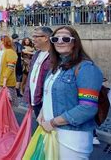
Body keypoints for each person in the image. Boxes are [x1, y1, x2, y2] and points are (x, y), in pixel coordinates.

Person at [37, 26, 103, 159]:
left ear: (74, 42)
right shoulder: (56, 66)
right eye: (55, 39)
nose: (60, 42)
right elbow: (50, 94)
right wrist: (42, 112)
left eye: (65, 38)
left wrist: (53, 122)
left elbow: (87, 108)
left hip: (72, 138)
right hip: (51, 132)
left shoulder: (86, 68)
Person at [23, 27, 53, 118]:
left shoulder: (54, 56)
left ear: (46, 38)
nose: (33, 39)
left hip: (46, 102)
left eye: (36, 36)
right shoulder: (36, 54)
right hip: (35, 99)